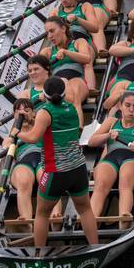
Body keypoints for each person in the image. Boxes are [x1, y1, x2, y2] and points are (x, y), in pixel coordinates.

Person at [17, 77, 98, 247]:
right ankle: (95, 246)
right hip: (78, 169)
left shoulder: (44, 112)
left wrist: (16, 132)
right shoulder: (72, 109)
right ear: (64, 93)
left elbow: (33, 137)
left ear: (44, 94)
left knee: (41, 214)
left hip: (55, 172)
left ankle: (39, 254)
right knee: (85, 209)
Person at [88, 90, 134, 229]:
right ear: (120, 106)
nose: (131, 109)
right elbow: (91, 142)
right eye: (128, 105)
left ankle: (124, 217)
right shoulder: (112, 122)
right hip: (110, 160)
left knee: (125, 183)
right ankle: (90, 222)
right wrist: (108, 135)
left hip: (132, 160)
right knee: (100, 185)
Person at [49, 0, 102, 88]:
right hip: (62, 45)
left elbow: (95, 28)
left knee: (86, 63)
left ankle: (91, 90)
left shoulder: (85, 6)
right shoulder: (54, 13)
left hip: (83, 42)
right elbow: (50, 34)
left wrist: (78, 20)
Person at [40, 16, 90, 123]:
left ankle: (79, 129)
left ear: (63, 29)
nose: (50, 36)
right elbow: (41, 73)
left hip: (77, 80)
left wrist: (66, 52)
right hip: (56, 86)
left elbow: (87, 58)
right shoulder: (46, 52)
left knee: (74, 95)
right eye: (47, 33)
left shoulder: (79, 42)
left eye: (52, 31)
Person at [2, 98, 41, 222]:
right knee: (23, 181)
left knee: (47, 178)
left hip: (44, 159)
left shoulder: (41, 126)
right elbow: (6, 145)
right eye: (18, 111)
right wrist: (11, 140)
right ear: (14, 115)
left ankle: (55, 216)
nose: (22, 113)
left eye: (27, 110)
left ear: (33, 113)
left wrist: (32, 121)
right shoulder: (12, 136)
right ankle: (26, 220)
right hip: (24, 164)